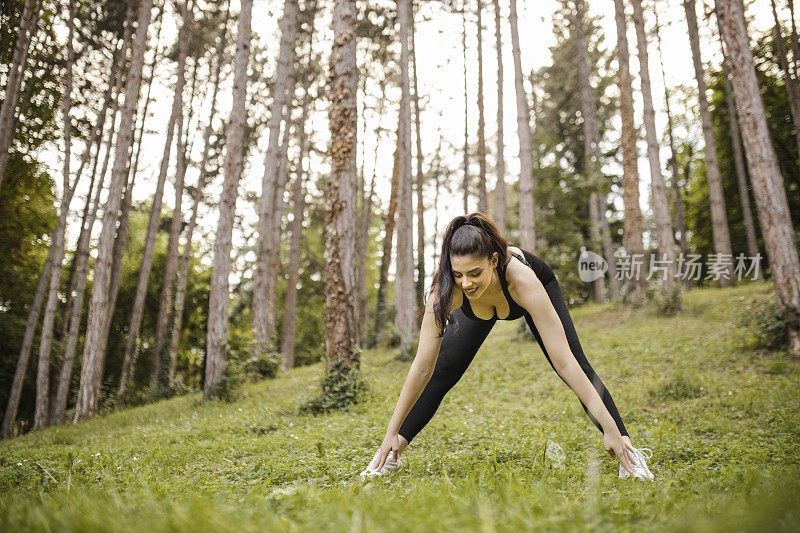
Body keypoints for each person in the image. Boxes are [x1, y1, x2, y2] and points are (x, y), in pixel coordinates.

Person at [360, 212, 654, 481]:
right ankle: (393, 450)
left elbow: (564, 362)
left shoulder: (523, 281)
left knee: (575, 361)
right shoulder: (446, 292)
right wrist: (390, 432)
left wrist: (611, 430)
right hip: (483, 307)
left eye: (475, 272)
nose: (466, 282)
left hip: (525, 290)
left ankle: (626, 449)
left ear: (494, 261)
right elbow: (422, 367)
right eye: (458, 273)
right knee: (442, 368)